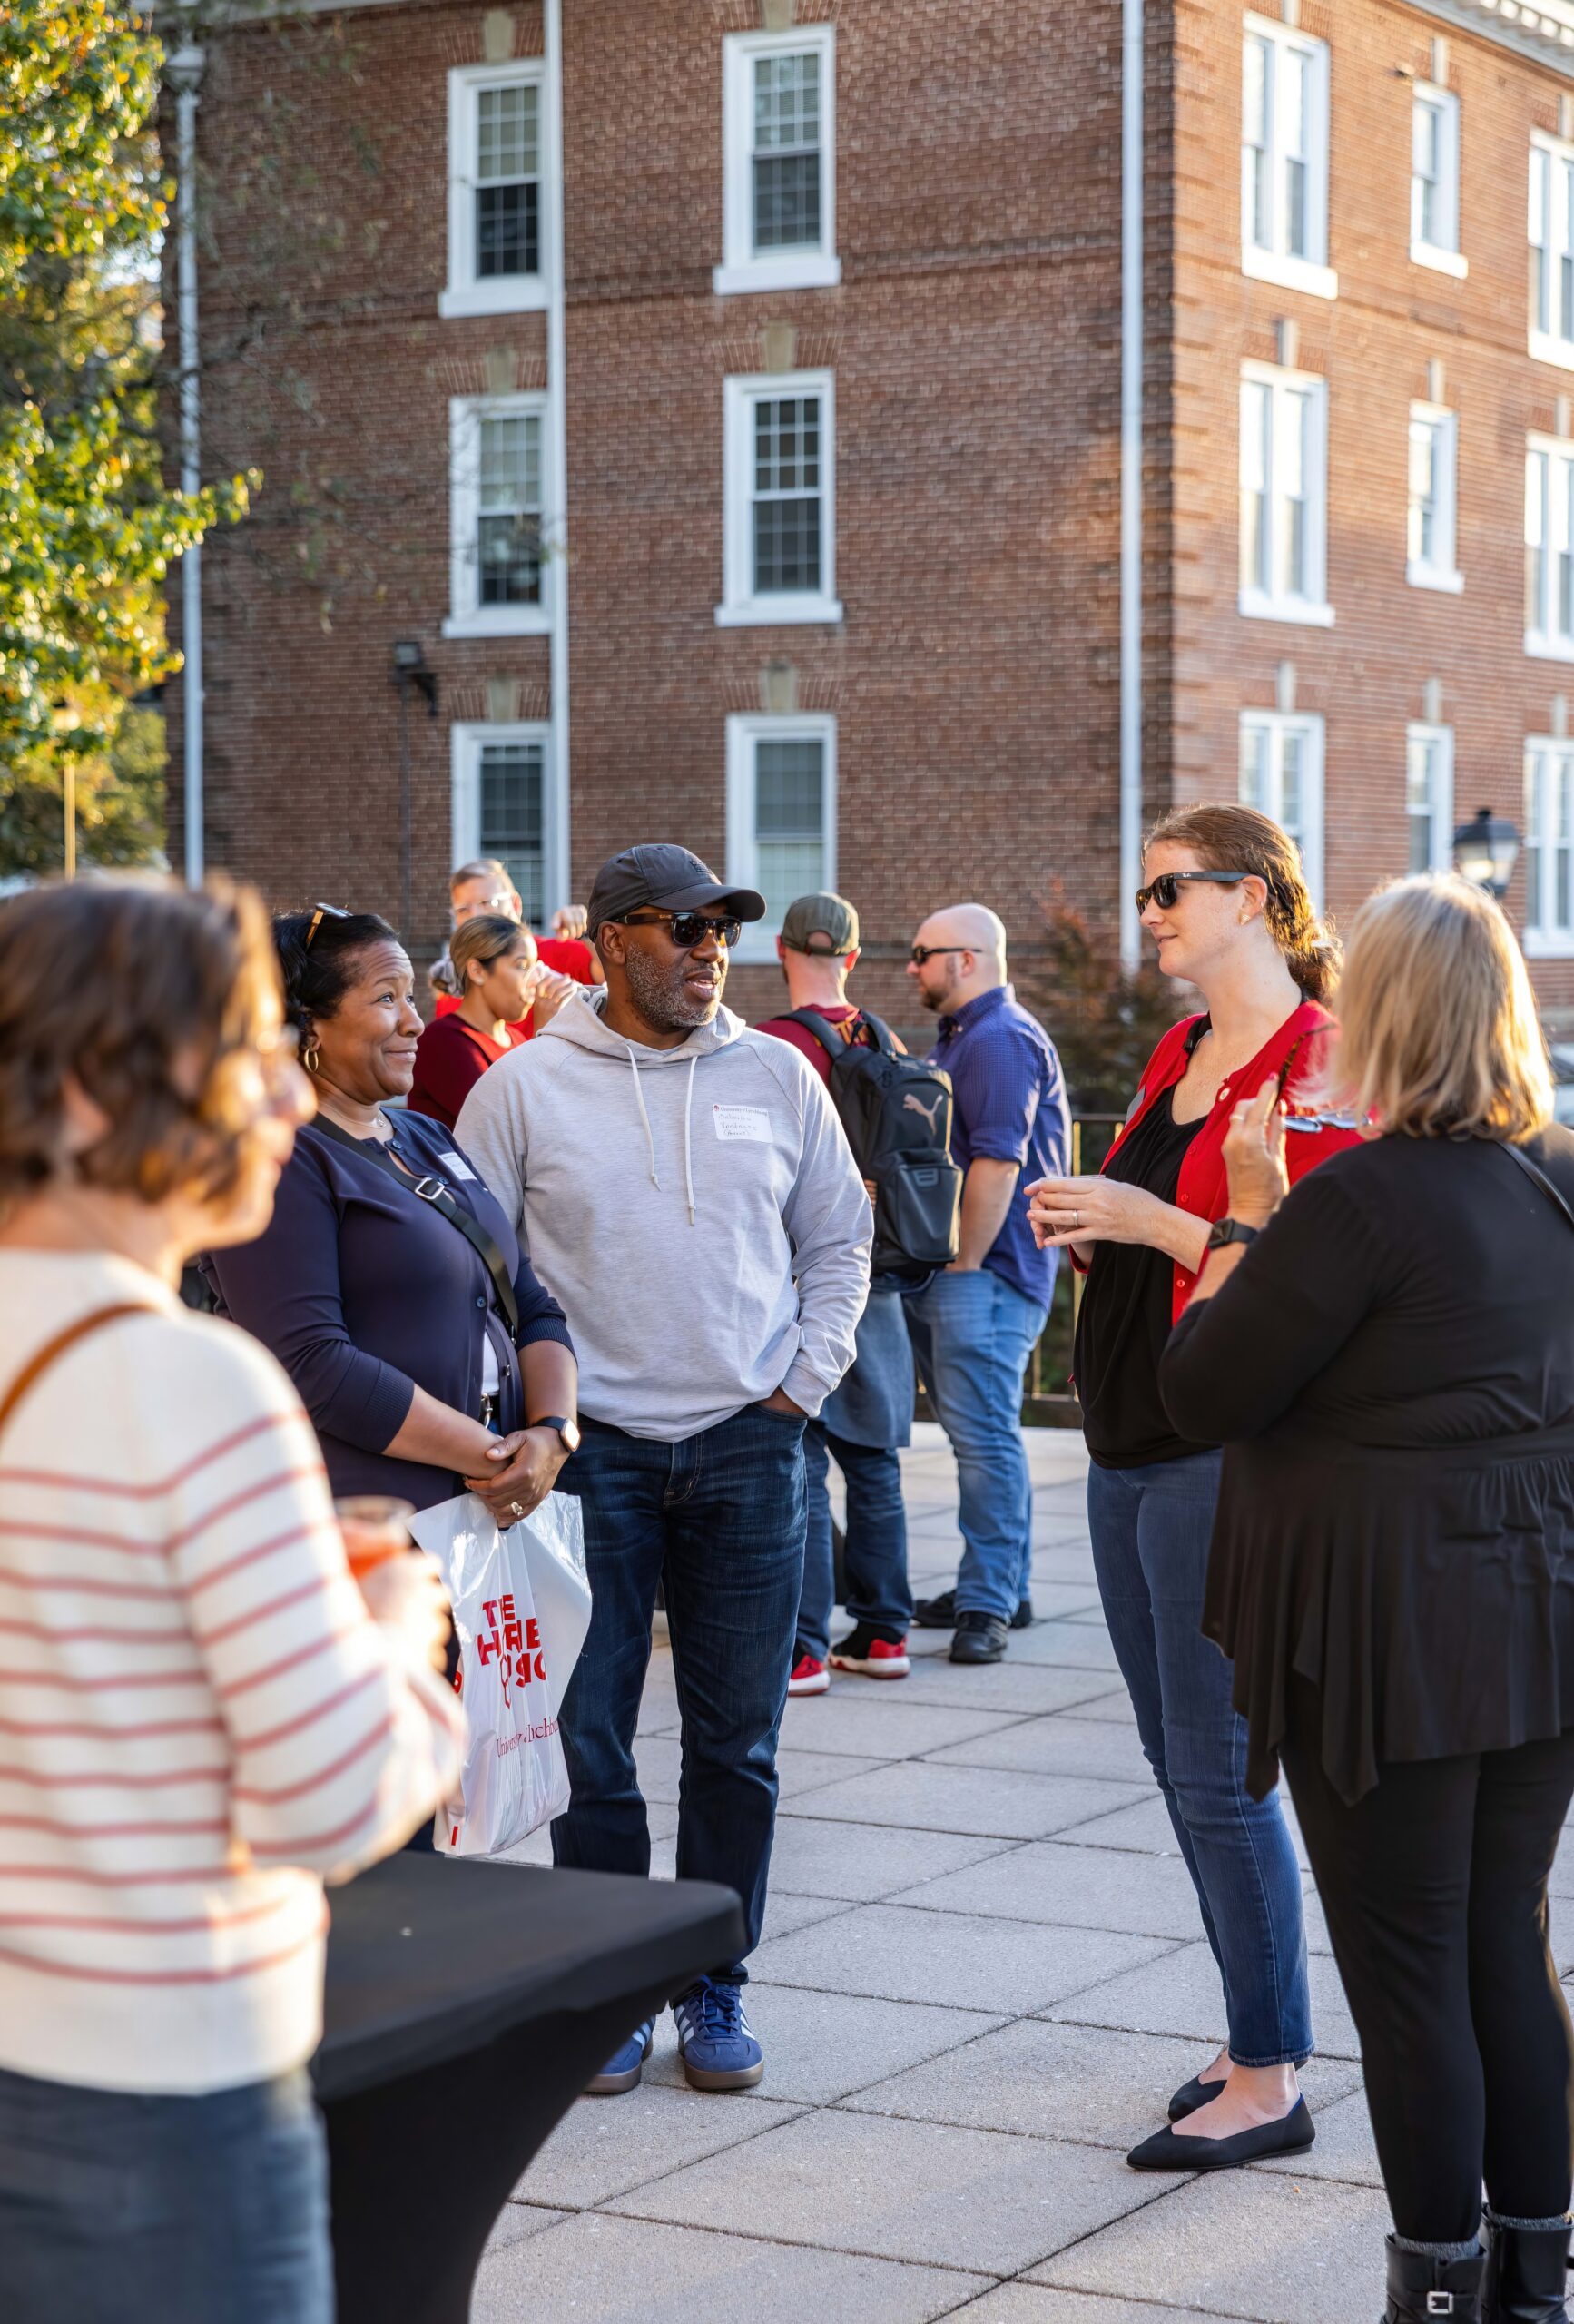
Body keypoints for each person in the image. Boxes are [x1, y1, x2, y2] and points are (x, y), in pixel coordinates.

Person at [0, 877, 463, 2324]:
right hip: (155, 2081)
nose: (274, 1088)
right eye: (237, 1047)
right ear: (89, 1092)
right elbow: (327, 1798)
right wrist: (397, 1629)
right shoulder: (193, 1387)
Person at [1157, 874, 1574, 2324]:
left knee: (1409, 1976)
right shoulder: (1560, 1172)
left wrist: (1247, 1217)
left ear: (1384, 1017)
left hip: (1384, 1624)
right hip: (1537, 1612)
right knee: (1500, 1948)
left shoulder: (1354, 1202)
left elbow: (1199, 1386)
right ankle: (1532, 2279)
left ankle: (1440, 2290)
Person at [456, 844, 871, 2095]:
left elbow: (840, 1239)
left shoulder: (778, 1076)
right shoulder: (524, 1088)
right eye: (682, 929)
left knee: (736, 1744)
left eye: (721, 931)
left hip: (751, 1445)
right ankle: (609, 1989)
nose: (708, 951)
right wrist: (533, 1419)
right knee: (590, 1742)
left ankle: (712, 1983)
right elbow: (474, 1272)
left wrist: (800, 1387)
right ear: (616, 942)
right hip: (594, 1460)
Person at [1026, 802, 1359, 2174]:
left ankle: (1271, 2076)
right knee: (1176, 1767)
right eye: (1145, 886)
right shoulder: (1176, 1050)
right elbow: (1151, 1224)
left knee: (1221, 1777)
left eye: (1170, 887)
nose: (1147, 908)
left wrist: (1151, 1223)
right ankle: (1247, 2036)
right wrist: (1094, 1232)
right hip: (1125, 1447)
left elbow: (1315, 1269)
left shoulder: (1318, 1054)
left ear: (1257, 900)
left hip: (1221, 1457)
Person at [207, 907, 578, 1532]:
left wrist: (552, 1434)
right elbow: (313, 1362)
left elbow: (531, 1304)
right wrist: (493, 1458)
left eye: (410, 997)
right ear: (309, 1026)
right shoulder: (280, 1157)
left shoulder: (426, 1136)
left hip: (488, 1508)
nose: (415, 1022)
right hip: (370, 1522)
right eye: (386, 999)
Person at [754, 890, 915, 1691]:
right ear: (852, 959)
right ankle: (886, 1635)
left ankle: (806, 1650)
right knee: (877, 1462)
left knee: (805, 1466)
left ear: (782, 952)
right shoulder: (883, 1038)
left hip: (799, 1277)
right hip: (879, 1276)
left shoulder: (773, 1046)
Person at [902, 903, 1070, 1664]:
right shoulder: (969, 1037)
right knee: (983, 1439)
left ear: (966, 959)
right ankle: (1003, 1585)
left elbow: (998, 1164)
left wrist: (963, 1261)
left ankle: (988, 1604)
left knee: (984, 1443)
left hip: (990, 1273)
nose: (912, 967)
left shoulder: (999, 1040)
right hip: (981, 1271)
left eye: (922, 953)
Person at [428, 858, 601, 1035]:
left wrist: (588, 930)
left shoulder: (558, 951)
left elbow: (614, 976)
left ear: (515, 904)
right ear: (476, 971)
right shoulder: (454, 987)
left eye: (487, 903)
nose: (476, 916)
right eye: (463, 909)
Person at [408, 912, 544, 1129]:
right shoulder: (443, 1041)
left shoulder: (516, 1040)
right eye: (522, 966)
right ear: (477, 971)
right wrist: (545, 1040)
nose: (535, 980)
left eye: (535, 967)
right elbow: (513, 1129)